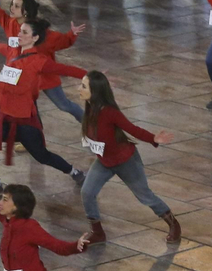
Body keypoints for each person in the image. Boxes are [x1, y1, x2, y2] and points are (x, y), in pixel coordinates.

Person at [77, 70, 182, 245]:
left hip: (126, 161)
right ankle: (97, 232)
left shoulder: (109, 112)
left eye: (83, 86)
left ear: (94, 91)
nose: (78, 89)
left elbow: (132, 129)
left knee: (145, 196)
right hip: (104, 162)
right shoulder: (90, 109)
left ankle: (174, 224)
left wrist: (153, 138)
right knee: (87, 192)